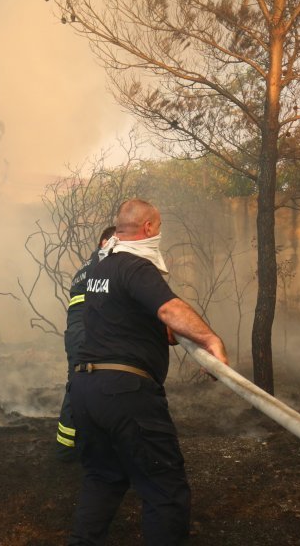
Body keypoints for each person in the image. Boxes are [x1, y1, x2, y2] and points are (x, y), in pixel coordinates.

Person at [68, 199, 229, 545]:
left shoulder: (99, 267)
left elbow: (121, 317)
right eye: (159, 226)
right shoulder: (136, 266)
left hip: (86, 389)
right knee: (165, 489)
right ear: (149, 228)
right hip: (126, 393)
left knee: (103, 479)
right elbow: (170, 309)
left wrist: (159, 330)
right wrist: (210, 339)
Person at [55, 226, 116, 461]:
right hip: (86, 333)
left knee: (79, 384)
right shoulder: (101, 266)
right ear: (103, 242)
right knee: (80, 386)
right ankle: (67, 449)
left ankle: (70, 445)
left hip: (78, 332)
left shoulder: (84, 268)